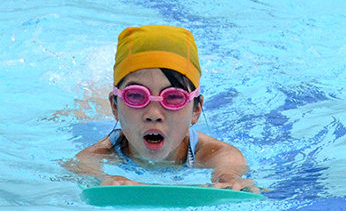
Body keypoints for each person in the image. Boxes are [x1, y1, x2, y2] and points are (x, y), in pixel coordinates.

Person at [69, 25, 259, 192]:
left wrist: (229, 179)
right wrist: (103, 178)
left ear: (196, 109)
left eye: (174, 97)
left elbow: (229, 171)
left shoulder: (217, 154)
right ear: (115, 106)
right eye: (136, 95)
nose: (153, 114)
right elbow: (81, 170)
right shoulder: (97, 155)